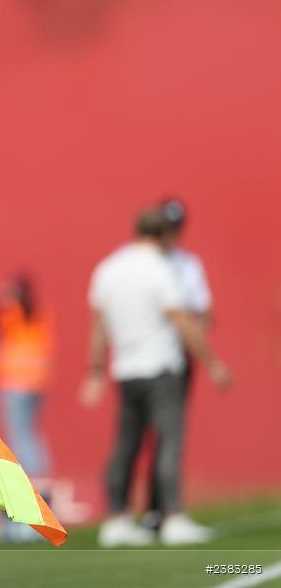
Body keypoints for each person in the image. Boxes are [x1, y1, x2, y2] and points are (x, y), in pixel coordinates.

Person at [80, 208, 231, 548]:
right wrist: (213, 363)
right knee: (168, 442)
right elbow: (182, 320)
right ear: (162, 235)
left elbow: (99, 326)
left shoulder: (109, 268)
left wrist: (95, 371)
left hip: (126, 371)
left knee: (126, 445)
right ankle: (172, 517)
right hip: (162, 368)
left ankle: (116, 519)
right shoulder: (160, 270)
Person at [142, 197, 214, 532]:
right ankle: (151, 511)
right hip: (144, 358)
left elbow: (202, 311)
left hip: (175, 358)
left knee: (170, 436)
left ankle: (165, 509)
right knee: (144, 436)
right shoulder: (141, 264)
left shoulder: (187, 265)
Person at [0, 275, 55, 541]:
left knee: (19, 440)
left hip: (15, 380)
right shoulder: (39, 312)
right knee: (29, 435)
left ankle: (27, 503)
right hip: (36, 381)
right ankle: (40, 486)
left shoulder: (13, 311)